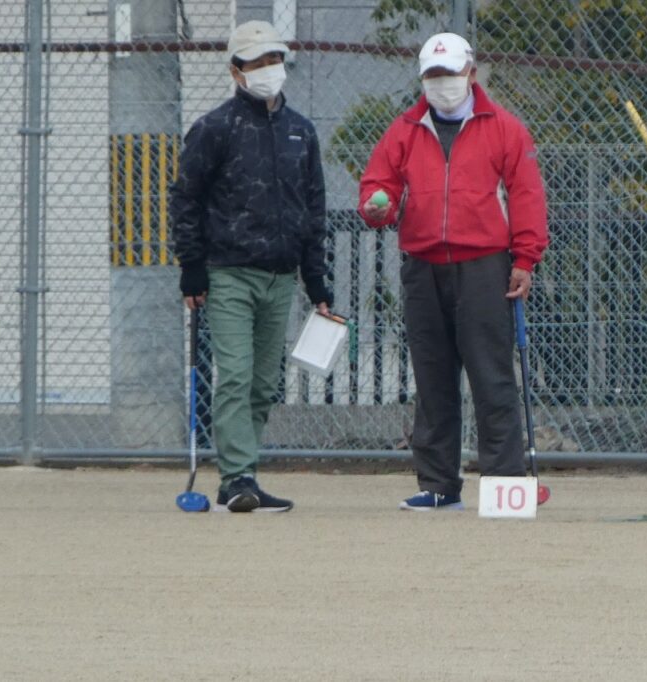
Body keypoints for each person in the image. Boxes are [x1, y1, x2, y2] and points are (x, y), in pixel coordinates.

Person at [358, 32, 549, 511]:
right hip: (422, 266)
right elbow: (379, 185)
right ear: (423, 79)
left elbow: (526, 195)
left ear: (471, 73)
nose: (442, 83)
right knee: (432, 379)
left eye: (449, 73)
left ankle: (503, 483)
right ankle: (439, 485)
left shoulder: (505, 129)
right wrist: (377, 207)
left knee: (491, 375)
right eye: (433, 75)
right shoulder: (404, 130)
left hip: (484, 265)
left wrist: (525, 259)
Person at [170, 20, 332, 512]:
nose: (269, 69)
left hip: (281, 277)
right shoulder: (215, 128)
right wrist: (192, 265)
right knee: (236, 375)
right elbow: (186, 198)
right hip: (229, 273)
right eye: (257, 62)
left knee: (264, 383)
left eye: (274, 59)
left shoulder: (301, 131)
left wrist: (316, 279)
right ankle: (235, 477)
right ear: (236, 71)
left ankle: (246, 473)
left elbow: (313, 208)